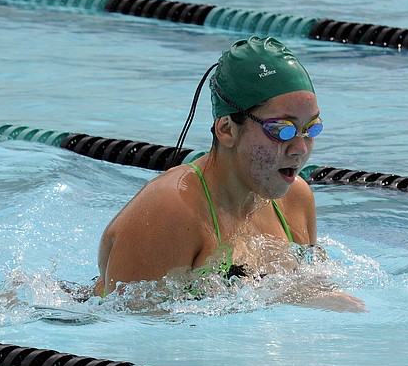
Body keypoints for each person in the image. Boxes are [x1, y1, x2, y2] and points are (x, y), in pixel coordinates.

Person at [93, 36, 331, 300]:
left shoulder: (296, 200)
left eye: (311, 129)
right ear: (227, 130)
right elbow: (132, 332)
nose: (300, 148)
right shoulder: (169, 211)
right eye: (281, 130)